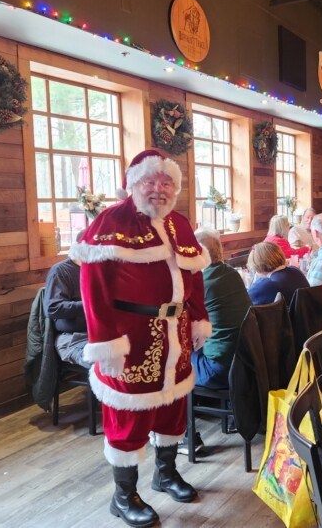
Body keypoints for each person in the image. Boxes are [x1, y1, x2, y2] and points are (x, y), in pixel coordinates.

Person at [70, 150, 212, 528]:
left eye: (166, 182)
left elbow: (193, 278)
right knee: (128, 414)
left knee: (171, 407)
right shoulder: (110, 222)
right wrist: (105, 342)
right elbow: (93, 289)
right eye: (150, 181)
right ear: (133, 184)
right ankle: (123, 495)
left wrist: (199, 318)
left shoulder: (179, 223)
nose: (158, 189)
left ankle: (165, 474)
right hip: (131, 338)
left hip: (176, 335)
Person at [176, 227, 251, 454]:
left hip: (218, 369)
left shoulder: (203, 283)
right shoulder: (231, 274)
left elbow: (184, 326)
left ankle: (185, 436)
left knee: (173, 367)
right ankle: (234, 412)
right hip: (243, 363)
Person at [44, 250, 90, 368]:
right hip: (73, 338)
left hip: (102, 334)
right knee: (105, 363)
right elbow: (53, 308)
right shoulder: (61, 271)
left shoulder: (100, 270)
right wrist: (91, 304)